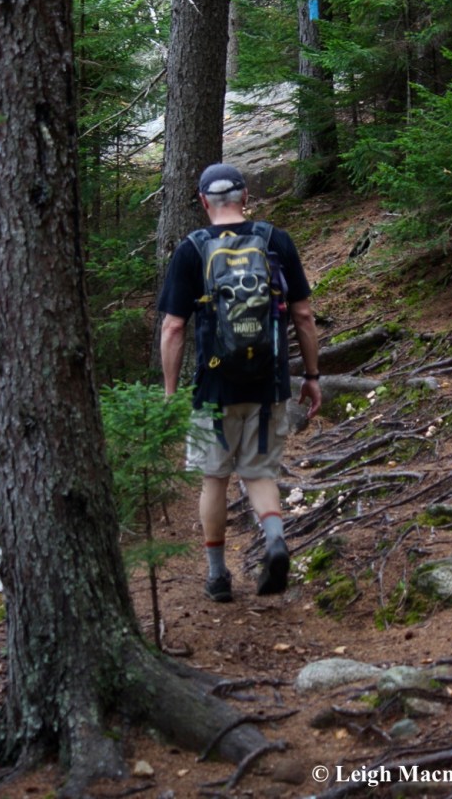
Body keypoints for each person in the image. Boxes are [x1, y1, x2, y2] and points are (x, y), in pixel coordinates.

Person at [158, 163, 321, 602]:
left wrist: (171, 394)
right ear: (245, 196)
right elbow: (304, 314)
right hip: (268, 383)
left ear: (203, 201)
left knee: (214, 479)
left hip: (214, 387)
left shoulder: (192, 248)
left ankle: (217, 576)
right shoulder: (275, 240)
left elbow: (173, 327)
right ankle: (275, 540)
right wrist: (311, 376)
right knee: (259, 472)